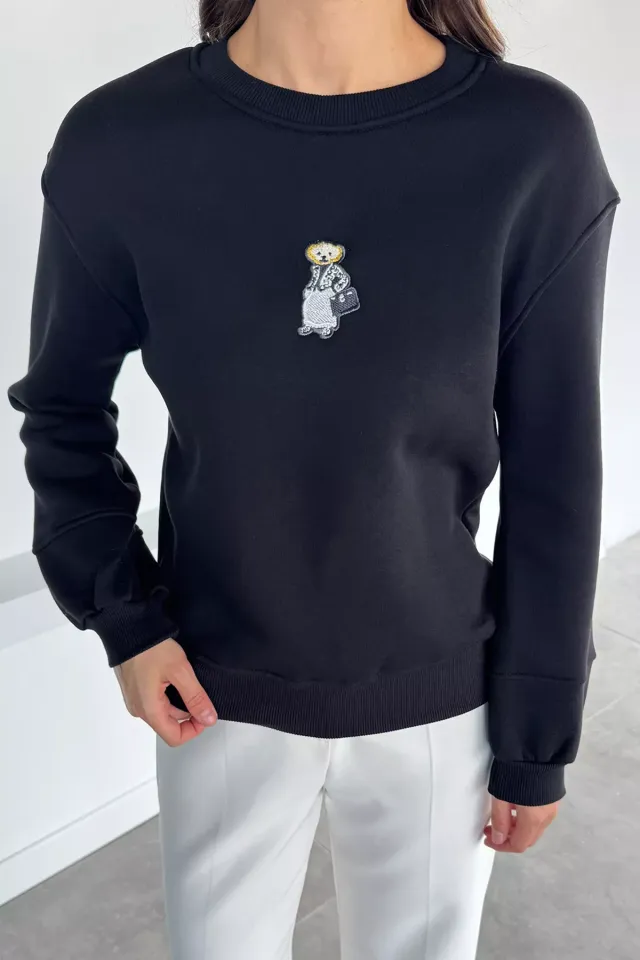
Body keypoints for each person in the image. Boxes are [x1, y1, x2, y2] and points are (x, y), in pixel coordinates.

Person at [7, 0, 620, 957]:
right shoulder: (122, 142)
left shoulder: (532, 143)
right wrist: (127, 621)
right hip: (211, 693)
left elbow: (558, 464)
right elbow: (61, 410)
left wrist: (538, 730)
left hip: (442, 699)